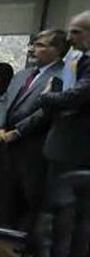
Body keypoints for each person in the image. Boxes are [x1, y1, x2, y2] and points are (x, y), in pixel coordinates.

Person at [0, 30, 66, 229]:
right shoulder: (22, 74)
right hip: (6, 143)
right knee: (4, 196)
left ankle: (26, 247)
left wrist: (18, 131)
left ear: (57, 49)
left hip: (33, 144)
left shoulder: (62, 74)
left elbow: (47, 110)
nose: (32, 49)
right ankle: (0, 240)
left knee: (32, 197)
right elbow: (4, 101)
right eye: (33, 44)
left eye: (40, 45)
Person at [40, 10, 90, 193]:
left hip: (79, 145)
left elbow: (74, 97)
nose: (69, 38)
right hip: (67, 141)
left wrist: (45, 96)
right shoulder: (76, 59)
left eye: (76, 32)